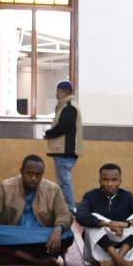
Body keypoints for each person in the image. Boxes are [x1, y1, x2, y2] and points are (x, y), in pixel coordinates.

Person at [0, 155, 75, 266]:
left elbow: (64, 213)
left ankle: (14, 256)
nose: (33, 178)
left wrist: (57, 230)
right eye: (29, 174)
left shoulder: (53, 189)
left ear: (42, 175)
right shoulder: (6, 187)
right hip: (14, 235)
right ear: (21, 172)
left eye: (38, 175)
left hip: (41, 236)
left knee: (67, 235)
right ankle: (37, 260)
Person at [75, 163, 133, 266]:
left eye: (114, 180)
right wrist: (107, 224)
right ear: (100, 181)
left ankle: (114, 261)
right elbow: (80, 216)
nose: (110, 184)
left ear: (120, 181)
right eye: (105, 180)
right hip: (99, 251)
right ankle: (121, 262)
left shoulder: (127, 196)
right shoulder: (91, 196)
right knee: (93, 219)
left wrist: (127, 223)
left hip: (123, 248)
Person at [44, 80, 81, 211]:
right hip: (65, 150)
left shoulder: (69, 107)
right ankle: (65, 206)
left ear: (64, 91)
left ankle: (70, 208)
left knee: (65, 182)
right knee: (63, 182)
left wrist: (49, 133)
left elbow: (64, 126)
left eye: (58, 91)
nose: (56, 94)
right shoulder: (67, 106)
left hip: (65, 150)